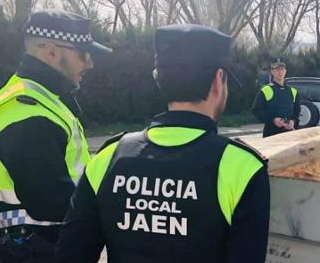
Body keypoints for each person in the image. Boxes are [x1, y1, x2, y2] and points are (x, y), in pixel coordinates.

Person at [54, 24, 270, 263]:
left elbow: (70, 255)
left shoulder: (108, 158)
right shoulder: (243, 168)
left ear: (159, 79)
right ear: (219, 80)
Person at [0, 9, 112, 263]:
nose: (90, 63)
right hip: (35, 250)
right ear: (51, 52)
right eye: (83, 54)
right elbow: (52, 203)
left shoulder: (38, 99)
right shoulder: (29, 114)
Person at [252, 58, 301, 137]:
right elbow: (256, 110)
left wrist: (293, 122)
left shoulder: (293, 91)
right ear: (272, 71)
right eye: (277, 69)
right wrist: (273, 120)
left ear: (285, 71)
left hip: (289, 134)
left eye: (282, 69)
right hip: (271, 134)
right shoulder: (266, 90)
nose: (280, 72)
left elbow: (297, 111)